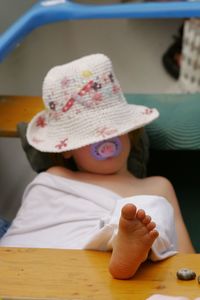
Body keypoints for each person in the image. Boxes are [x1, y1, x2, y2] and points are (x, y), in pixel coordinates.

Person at [0, 53, 194, 279]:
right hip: (45, 257)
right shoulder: (56, 177)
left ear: (130, 132)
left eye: (113, 130)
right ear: (66, 149)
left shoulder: (157, 186)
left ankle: (125, 247)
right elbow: (32, 225)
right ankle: (119, 243)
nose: (105, 141)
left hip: (107, 269)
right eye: (89, 136)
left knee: (149, 207)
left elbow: (188, 259)